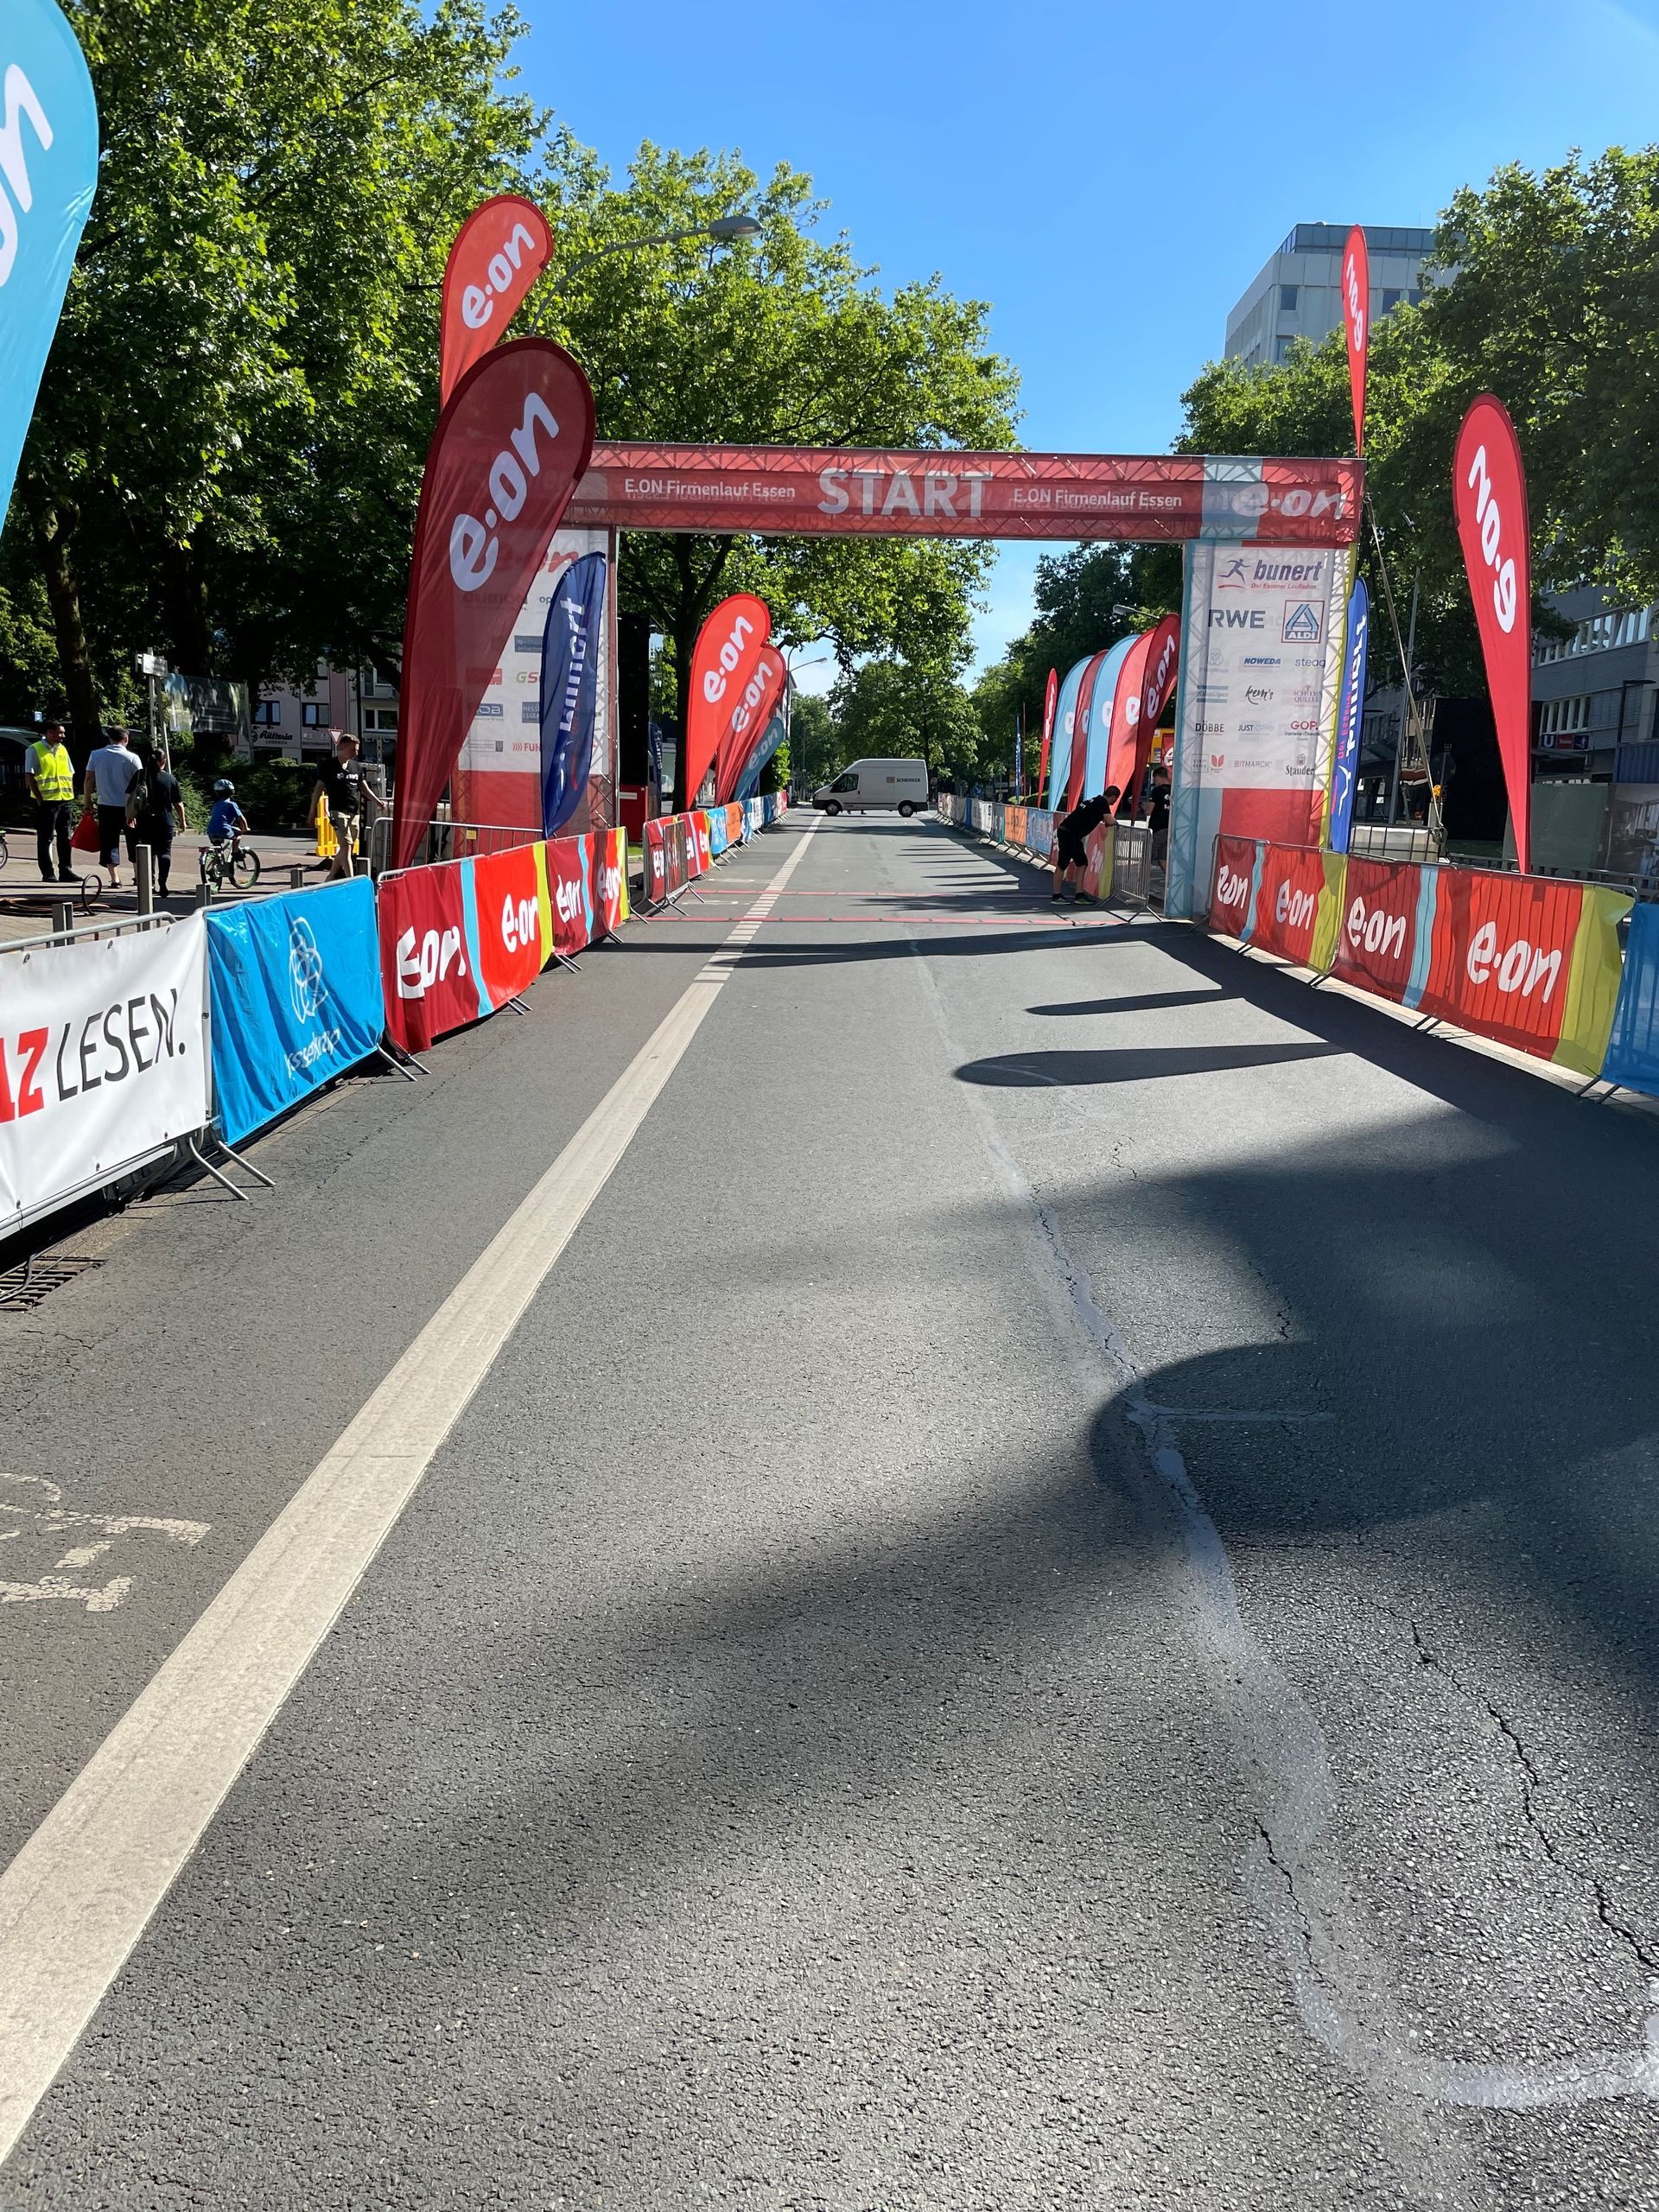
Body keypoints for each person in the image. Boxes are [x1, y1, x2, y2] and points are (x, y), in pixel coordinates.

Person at [82, 725, 142, 886]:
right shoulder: (133, 758)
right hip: (128, 806)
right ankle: (138, 876)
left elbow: (89, 780)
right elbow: (140, 785)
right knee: (134, 840)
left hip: (105, 805)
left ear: (109, 738)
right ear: (126, 739)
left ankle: (115, 878)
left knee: (109, 841)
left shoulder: (96, 755)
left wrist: (87, 802)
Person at [127, 743, 188, 898]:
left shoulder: (140, 775)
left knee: (147, 852)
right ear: (163, 761)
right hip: (165, 820)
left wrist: (129, 816)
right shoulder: (170, 779)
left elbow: (130, 796)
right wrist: (182, 821)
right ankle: (163, 882)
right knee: (165, 852)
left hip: (144, 820)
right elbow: (178, 803)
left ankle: (150, 883)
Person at [24, 721, 75, 883]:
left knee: (65, 837)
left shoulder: (62, 750)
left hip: (65, 799)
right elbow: (29, 776)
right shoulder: (35, 749)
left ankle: (66, 870)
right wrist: (40, 799)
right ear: (50, 732)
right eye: (60, 733)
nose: (63, 736)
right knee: (46, 838)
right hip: (47, 802)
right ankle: (48, 873)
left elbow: (70, 773)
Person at [308, 732, 363, 880]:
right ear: (344, 747)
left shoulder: (356, 767)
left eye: (357, 750)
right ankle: (350, 880)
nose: (356, 753)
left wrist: (378, 801)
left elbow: (363, 787)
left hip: (354, 811)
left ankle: (330, 877)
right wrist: (312, 811)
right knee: (346, 846)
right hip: (337, 811)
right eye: (353, 750)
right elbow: (319, 788)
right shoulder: (329, 765)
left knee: (348, 848)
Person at [1052, 785, 1119, 902]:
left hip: (1070, 833)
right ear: (1113, 797)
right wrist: (1116, 824)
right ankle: (1056, 895)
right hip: (1069, 833)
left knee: (1082, 862)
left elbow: (1103, 819)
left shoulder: (1094, 800)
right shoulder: (1102, 803)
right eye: (1116, 799)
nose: (1115, 801)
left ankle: (1079, 894)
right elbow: (1109, 820)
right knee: (1063, 864)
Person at [207, 778, 249, 857]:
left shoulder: (216, 804)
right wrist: (245, 828)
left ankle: (216, 862)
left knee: (217, 846)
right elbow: (241, 818)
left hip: (211, 830)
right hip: (224, 829)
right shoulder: (232, 804)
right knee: (237, 836)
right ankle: (235, 853)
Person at [1147, 770, 1171, 876]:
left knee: (1147, 856)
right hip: (1170, 828)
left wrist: (1144, 807)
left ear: (1159, 777)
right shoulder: (1175, 790)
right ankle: (1170, 881)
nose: (1155, 781)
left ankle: (1141, 883)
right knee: (1162, 858)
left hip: (1158, 828)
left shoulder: (1157, 791)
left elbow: (1149, 810)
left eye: (1155, 779)